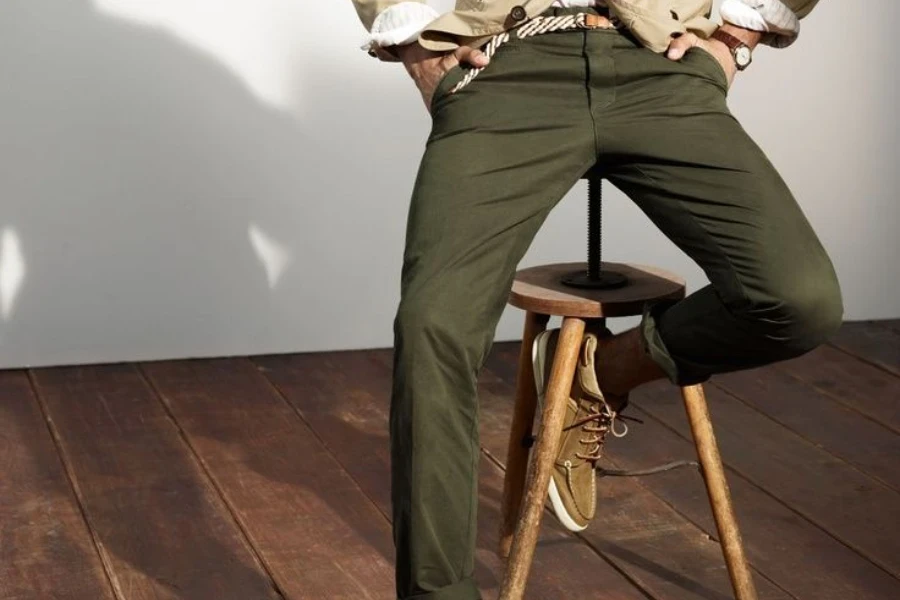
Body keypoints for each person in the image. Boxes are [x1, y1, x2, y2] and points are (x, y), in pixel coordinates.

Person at [350, 1, 842, 598]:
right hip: (508, 64)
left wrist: (739, 35)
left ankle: (602, 372)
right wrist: (415, 45)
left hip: (663, 63)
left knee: (798, 299)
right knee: (433, 326)